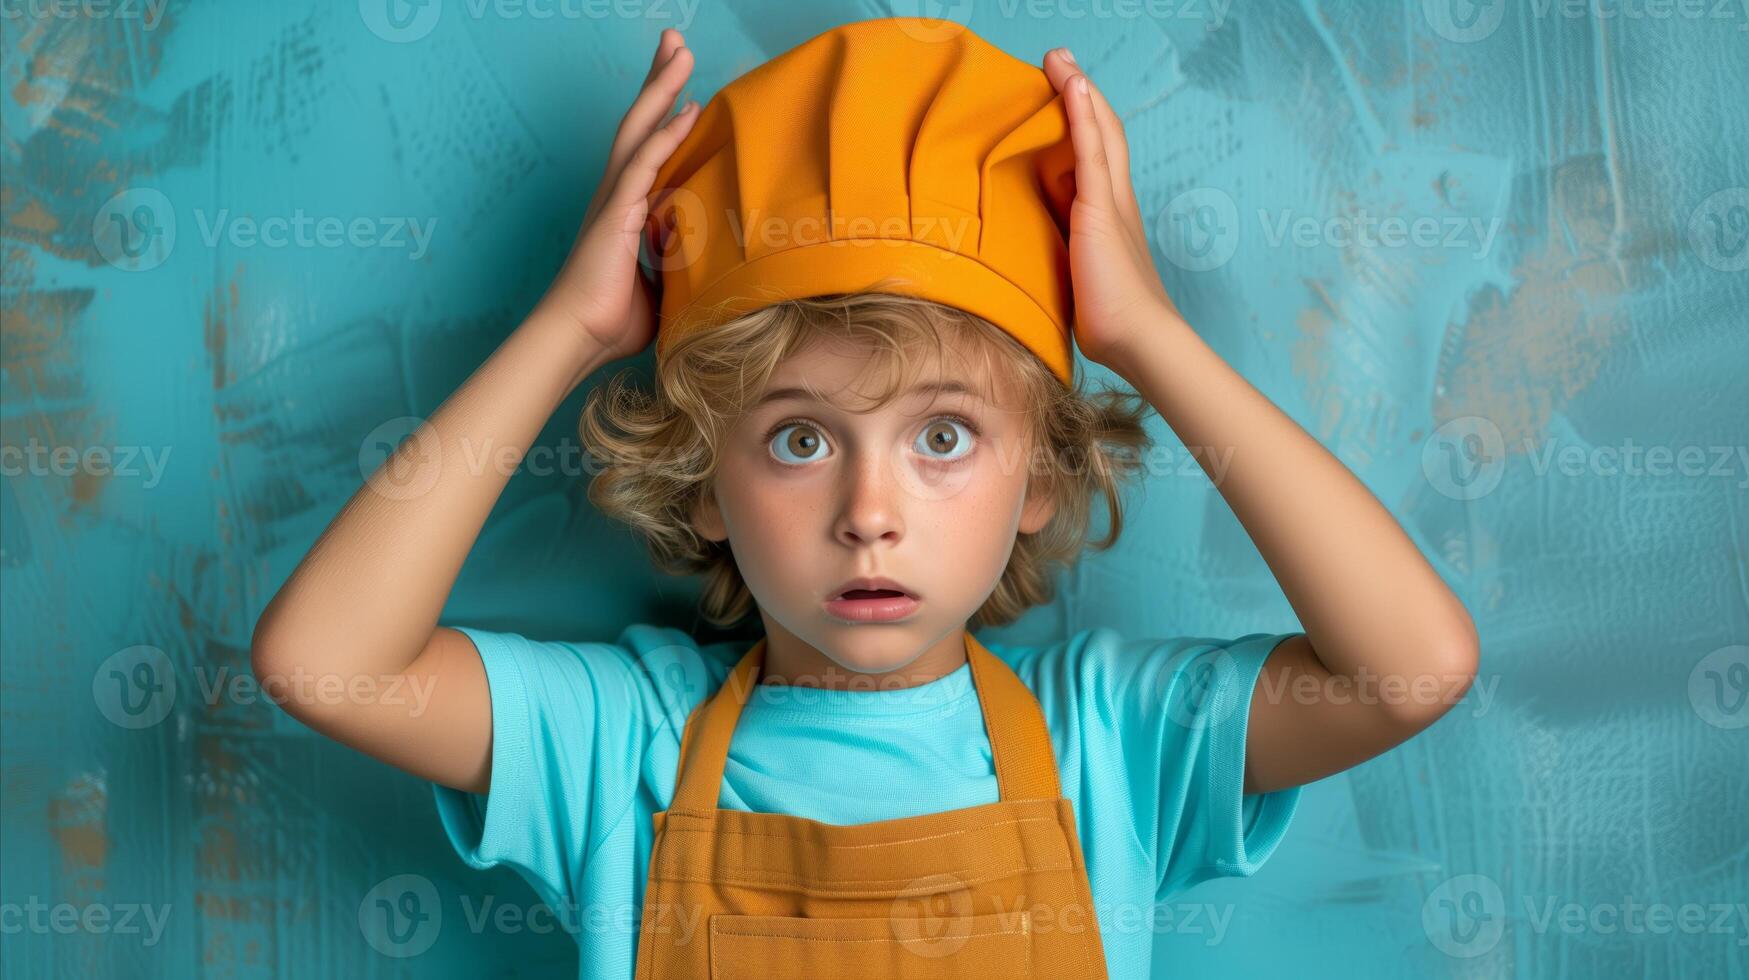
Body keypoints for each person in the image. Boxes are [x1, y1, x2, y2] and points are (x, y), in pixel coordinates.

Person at [251, 17, 1479, 979]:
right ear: (706, 484)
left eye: (944, 433)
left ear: (1043, 475)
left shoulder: (1112, 741)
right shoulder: (622, 744)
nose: (870, 509)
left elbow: (1410, 666)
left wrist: (1146, 334)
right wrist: (567, 333)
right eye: (797, 439)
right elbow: (324, 658)